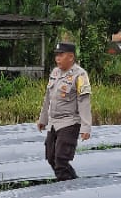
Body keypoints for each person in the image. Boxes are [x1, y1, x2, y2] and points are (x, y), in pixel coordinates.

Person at [37, 41, 92, 180]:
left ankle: (67, 189)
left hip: (69, 122)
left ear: (71, 57)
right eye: (56, 55)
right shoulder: (55, 72)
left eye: (61, 55)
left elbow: (84, 101)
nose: (57, 59)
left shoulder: (80, 75)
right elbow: (47, 98)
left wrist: (86, 127)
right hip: (54, 122)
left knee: (61, 159)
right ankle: (72, 183)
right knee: (50, 157)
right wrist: (42, 119)